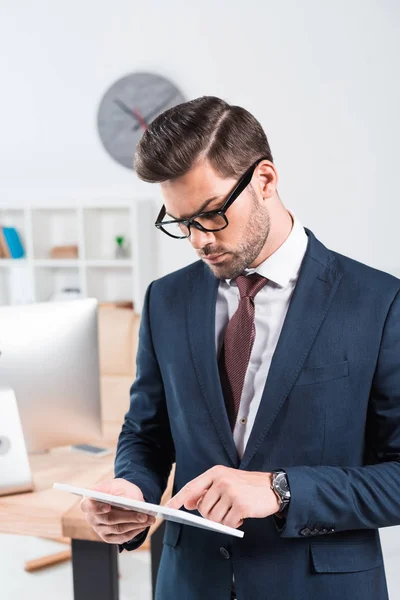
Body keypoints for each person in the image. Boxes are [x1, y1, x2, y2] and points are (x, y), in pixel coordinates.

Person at [81, 96, 400, 600]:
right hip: (188, 584)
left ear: (266, 180)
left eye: (210, 215)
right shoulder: (166, 299)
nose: (197, 241)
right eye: (180, 222)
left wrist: (281, 489)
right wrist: (132, 489)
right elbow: (147, 432)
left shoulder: (379, 301)